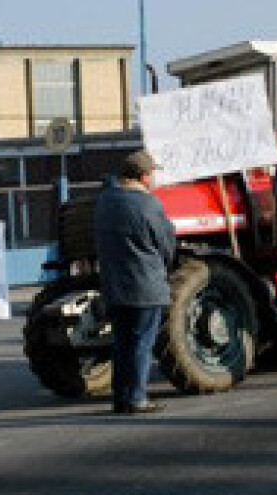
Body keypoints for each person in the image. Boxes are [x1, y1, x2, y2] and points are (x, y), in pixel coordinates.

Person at [94, 150, 176, 414]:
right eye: (152, 174)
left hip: (115, 286)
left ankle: (121, 398)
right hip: (145, 286)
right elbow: (166, 244)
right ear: (144, 176)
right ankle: (138, 397)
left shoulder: (105, 202)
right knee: (142, 343)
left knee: (121, 343)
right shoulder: (150, 205)